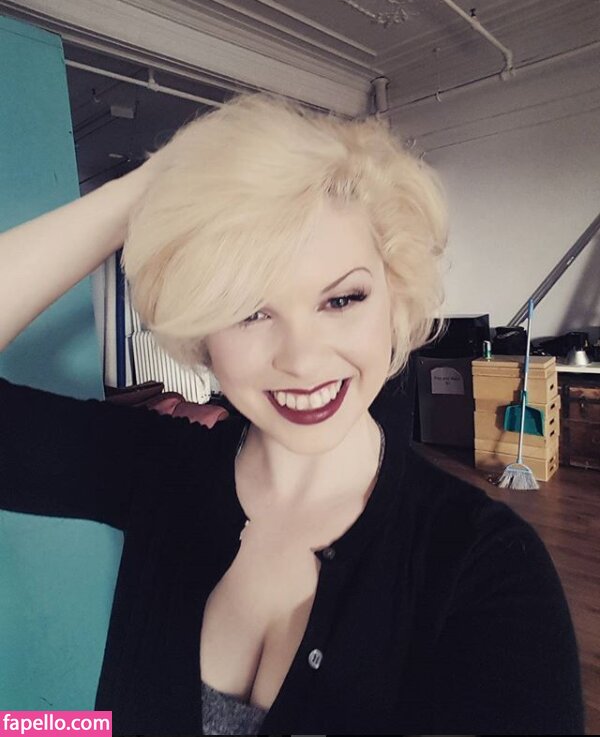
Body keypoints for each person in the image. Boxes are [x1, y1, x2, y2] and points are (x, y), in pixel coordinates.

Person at [0, 92, 584, 736]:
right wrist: (150, 189)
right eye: (249, 311)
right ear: (203, 331)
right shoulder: (160, 470)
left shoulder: (485, 569)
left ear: (394, 299)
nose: (302, 361)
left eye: (342, 299)